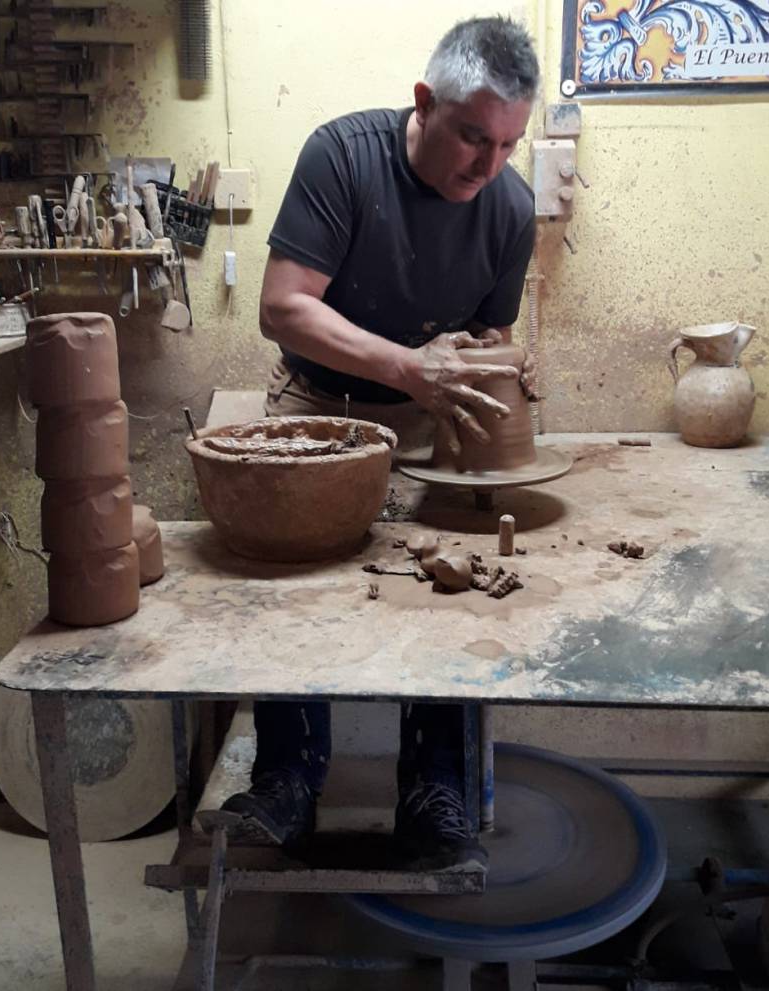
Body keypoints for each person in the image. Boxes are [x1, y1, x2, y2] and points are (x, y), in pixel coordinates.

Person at [209, 15, 539, 872]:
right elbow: (283, 306)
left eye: (509, 144)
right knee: (297, 594)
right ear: (424, 103)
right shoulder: (344, 157)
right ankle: (286, 779)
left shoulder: (510, 206)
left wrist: (494, 360)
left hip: (433, 417)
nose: (488, 164)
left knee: (454, 594)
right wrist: (408, 367)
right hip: (317, 405)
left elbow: (486, 335)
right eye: (473, 136)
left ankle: (435, 788)